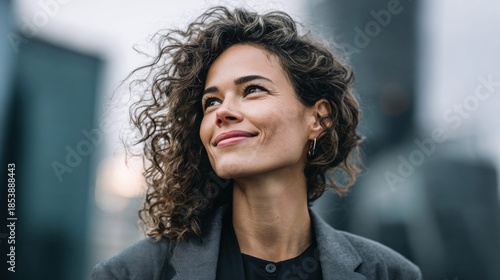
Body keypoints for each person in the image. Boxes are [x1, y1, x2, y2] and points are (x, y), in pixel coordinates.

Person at [92, 6, 422, 280]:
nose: (223, 113)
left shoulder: (391, 274)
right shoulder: (131, 274)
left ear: (319, 119)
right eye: (211, 102)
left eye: (252, 90)